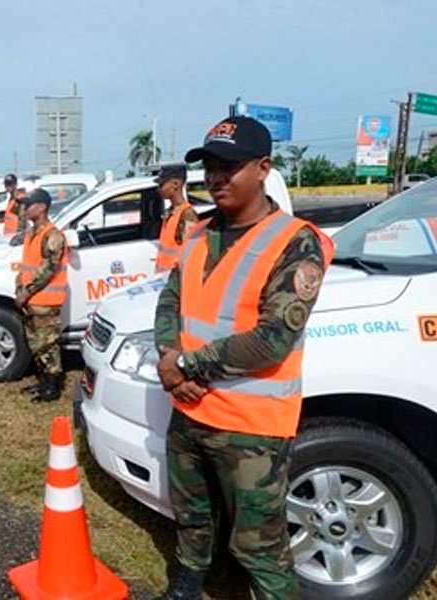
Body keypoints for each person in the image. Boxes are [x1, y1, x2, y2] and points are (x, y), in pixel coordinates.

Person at [153, 116, 334, 600]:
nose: (215, 177)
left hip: (250, 424)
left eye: (228, 166)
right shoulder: (199, 232)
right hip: (190, 409)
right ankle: (189, 582)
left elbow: (273, 338)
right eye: (210, 166)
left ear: (263, 168)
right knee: (192, 516)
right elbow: (170, 301)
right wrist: (168, 358)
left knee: (259, 544)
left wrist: (184, 366)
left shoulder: (295, 241)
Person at [15, 188, 68, 403]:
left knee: (48, 345)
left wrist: (26, 292)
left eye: (30, 204)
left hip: (46, 301)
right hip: (31, 300)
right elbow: (26, 266)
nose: (26, 209)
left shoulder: (53, 235)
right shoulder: (32, 234)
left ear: (43, 207)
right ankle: (43, 381)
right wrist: (19, 287)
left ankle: (53, 387)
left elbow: (48, 269)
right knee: (36, 345)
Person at [154, 163, 198, 273]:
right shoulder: (171, 212)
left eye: (162, 184)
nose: (159, 189)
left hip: (176, 282)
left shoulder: (187, 215)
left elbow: (192, 255)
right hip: (164, 279)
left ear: (175, 184)